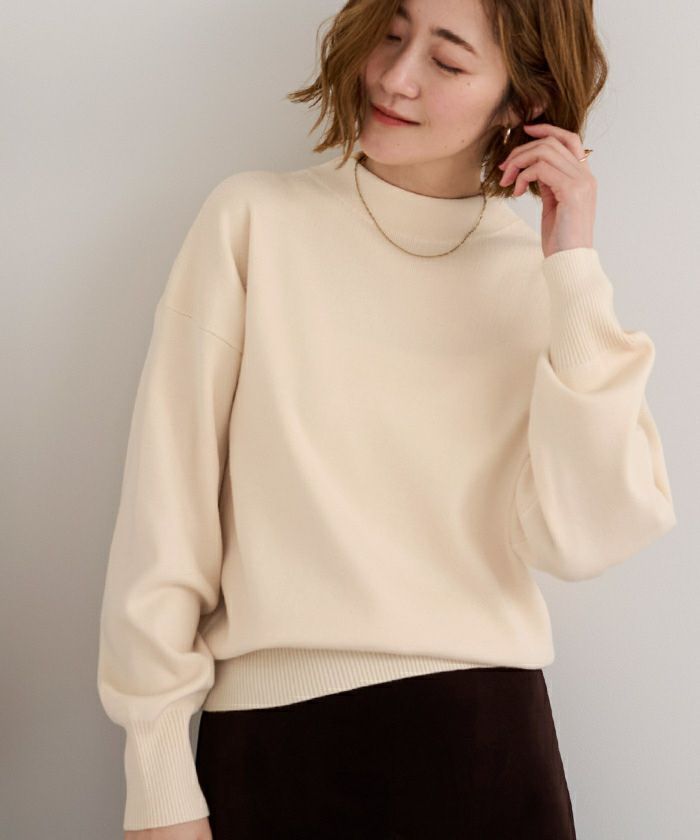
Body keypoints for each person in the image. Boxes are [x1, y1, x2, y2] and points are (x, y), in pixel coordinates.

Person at [97, 1, 677, 838]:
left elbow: (585, 538)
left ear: (521, 103)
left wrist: (574, 266)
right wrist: (157, 777)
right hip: (276, 748)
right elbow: (166, 512)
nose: (396, 78)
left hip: (487, 751)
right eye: (394, 34)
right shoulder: (254, 222)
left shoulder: (539, 283)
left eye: (447, 61)